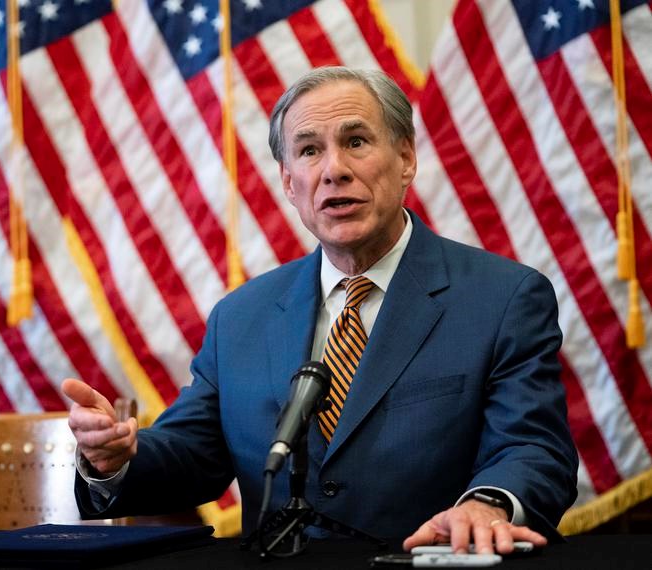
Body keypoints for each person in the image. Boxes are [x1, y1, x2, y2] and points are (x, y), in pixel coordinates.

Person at [63, 66, 578, 554]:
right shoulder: (241, 316)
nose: (334, 170)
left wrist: (487, 506)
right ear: (290, 184)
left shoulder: (503, 298)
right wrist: (114, 461)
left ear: (406, 159)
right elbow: (193, 455)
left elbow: (534, 449)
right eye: (309, 151)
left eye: (356, 142)